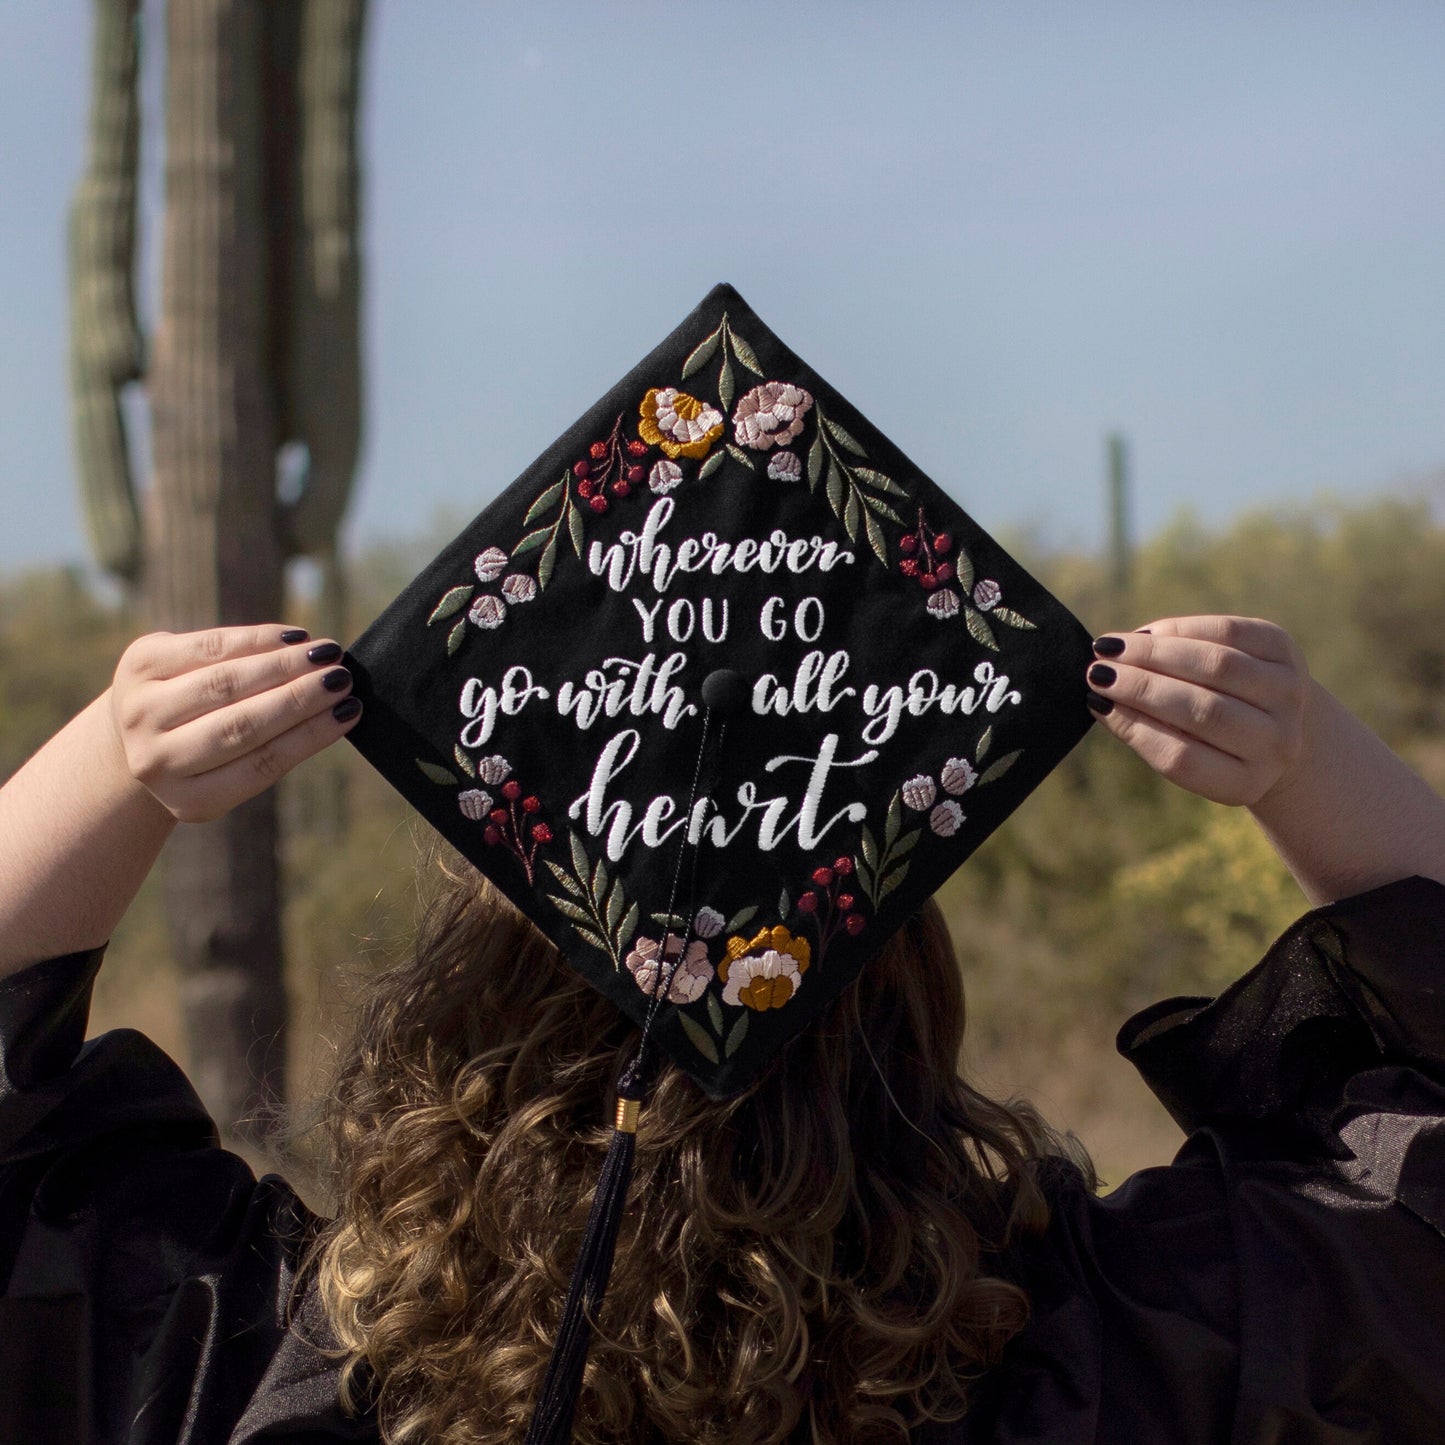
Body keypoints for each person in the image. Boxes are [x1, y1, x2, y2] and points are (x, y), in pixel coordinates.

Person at [3, 613, 1445, 1443]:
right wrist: (1301, 753)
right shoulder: (1109, 1353)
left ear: (466, 1016)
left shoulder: (284, 1372)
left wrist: (118, 760)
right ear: (899, 1001)